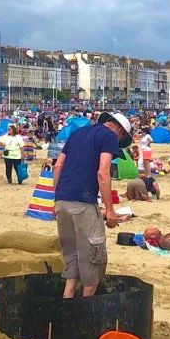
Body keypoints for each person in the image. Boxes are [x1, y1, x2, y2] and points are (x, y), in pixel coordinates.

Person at [52, 110, 131, 299]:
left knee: (72, 262)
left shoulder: (78, 133)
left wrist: (56, 199)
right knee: (93, 267)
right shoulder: (109, 136)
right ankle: (84, 314)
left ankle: (67, 308)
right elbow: (102, 173)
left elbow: (58, 166)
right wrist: (110, 210)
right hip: (84, 203)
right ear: (120, 131)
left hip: (62, 202)